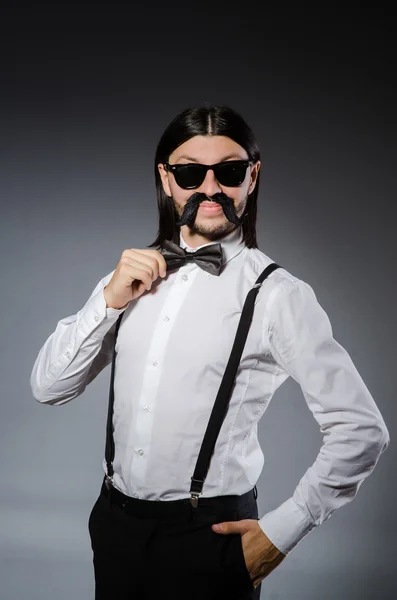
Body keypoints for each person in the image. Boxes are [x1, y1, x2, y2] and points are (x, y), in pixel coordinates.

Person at [30, 104, 390, 600]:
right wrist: (108, 303)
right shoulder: (129, 277)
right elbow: (49, 388)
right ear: (166, 178)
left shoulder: (278, 295)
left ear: (252, 177)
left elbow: (362, 430)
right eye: (190, 172)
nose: (210, 187)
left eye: (230, 170)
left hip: (210, 540)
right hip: (114, 527)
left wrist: (283, 532)